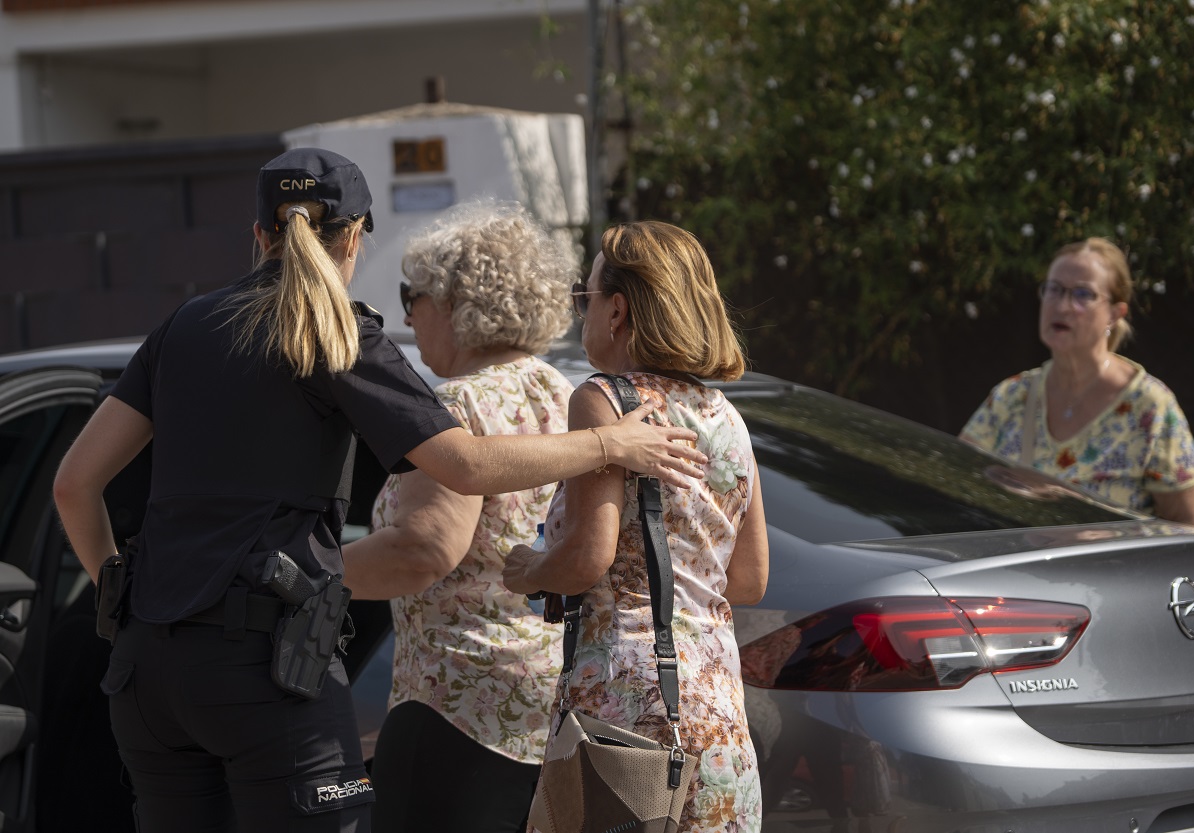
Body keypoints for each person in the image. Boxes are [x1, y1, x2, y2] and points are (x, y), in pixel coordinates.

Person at [51, 148, 706, 833]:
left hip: (148, 673)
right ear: (355, 235)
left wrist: (122, 601)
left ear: (258, 234)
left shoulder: (182, 327)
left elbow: (74, 484)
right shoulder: (334, 331)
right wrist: (609, 444)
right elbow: (464, 465)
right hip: (265, 671)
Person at [503, 220, 770, 833]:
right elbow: (750, 579)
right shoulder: (725, 414)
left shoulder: (604, 400)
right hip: (716, 701)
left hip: (624, 694)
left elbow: (587, 559)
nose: (583, 314)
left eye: (586, 297)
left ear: (617, 309)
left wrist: (532, 570)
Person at [341, 201, 574, 833]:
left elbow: (421, 550)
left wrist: (297, 576)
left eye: (411, 296)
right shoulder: (567, 395)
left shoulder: (455, 406)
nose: (408, 315)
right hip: (553, 707)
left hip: (458, 705)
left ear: (456, 304)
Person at [960, 237, 1194, 528]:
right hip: (1011, 572)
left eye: (1082, 294)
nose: (1063, 306)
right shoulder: (1011, 396)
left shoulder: (1149, 407)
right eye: (1054, 289)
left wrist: (1111, 541)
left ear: (1114, 314)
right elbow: (954, 482)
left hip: (1112, 572)